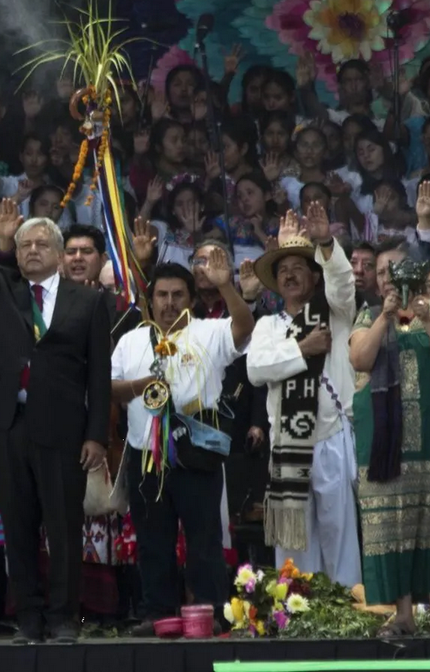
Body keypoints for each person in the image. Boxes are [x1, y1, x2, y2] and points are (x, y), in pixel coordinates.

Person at [0, 170, 111, 645]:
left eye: (41, 244)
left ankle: (62, 618)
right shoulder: (0, 292)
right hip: (7, 424)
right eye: (25, 244)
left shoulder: (89, 302)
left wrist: (97, 435)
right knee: (17, 528)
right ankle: (29, 619)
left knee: (64, 528)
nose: (32, 250)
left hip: (62, 431)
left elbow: (99, 374)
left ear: (60, 255)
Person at [111, 251, 253, 636]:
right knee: (153, 542)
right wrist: (141, 386)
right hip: (146, 456)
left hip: (196, 454)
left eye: (177, 294)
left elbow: (244, 327)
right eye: (162, 295)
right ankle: (157, 616)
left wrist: (225, 284)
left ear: (190, 299)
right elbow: (112, 389)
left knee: (203, 539)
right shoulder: (131, 340)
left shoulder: (208, 331)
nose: (169, 303)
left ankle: (212, 613)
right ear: (150, 300)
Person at [349, 243, 430, 636]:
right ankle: (401, 615)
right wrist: (386, 318)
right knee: (392, 526)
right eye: (384, 273)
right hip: (386, 443)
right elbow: (360, 360)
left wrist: (427, 317)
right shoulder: (367, 315)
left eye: (397, 272)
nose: (390, 280)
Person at [247, 205, 361, 587]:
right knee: (295, 541)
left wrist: (326, 242)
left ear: (315, 276)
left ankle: (349, 609)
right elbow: (256, 369)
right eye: (282, 271)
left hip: (330, 437)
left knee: (339, 535)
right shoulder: (267, 324)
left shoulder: (336, 312)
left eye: (298, 268)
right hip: (287, 445)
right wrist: (303, 349)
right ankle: (298, 612)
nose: (290, 275)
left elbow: (343, 283)